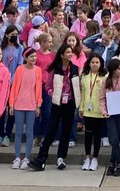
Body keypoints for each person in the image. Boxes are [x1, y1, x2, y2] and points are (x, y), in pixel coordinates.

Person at [32, 40, 82, 171]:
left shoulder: (75, 69)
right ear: (61, 54)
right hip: (57, 103)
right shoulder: (55, 69)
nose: (70, 54)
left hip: (70, 103)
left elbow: (78, 86)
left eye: (71, 52)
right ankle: (42, 157)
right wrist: (53, 93)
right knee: (51, 130)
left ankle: (61, 158)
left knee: (66, 131)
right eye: (67, 52)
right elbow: (48, 85)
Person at [8, 46, 43, 170]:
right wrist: (11, 104)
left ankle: (27, 157)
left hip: (32, 104)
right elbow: (14, 87)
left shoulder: (38, 70)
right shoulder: (20, 69)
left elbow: (38, 88)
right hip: (19, 104)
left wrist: (39, 104)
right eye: (31, 56)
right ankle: (17, 157)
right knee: (18, 132)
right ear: (25, 57)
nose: (34, 58)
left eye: (35, 56)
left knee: (29, 132)